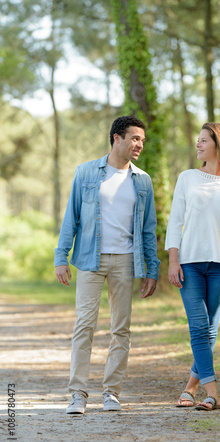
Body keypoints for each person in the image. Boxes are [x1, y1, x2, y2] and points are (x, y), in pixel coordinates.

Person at [55, 115, 160, 415]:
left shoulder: (143, 181)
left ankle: (111, 393)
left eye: (142, 139)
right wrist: (61, 256)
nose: (140, 144)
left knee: (121, 329)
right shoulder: (86, 172)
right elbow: (71, 218)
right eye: (135, 138)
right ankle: (77, 395)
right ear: (117, 138)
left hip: (126, 261)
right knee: (84, 326)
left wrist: (151, 269)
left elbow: (148, 229)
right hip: (90, 258)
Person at [165, 122, 220, 411]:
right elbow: (175, 219)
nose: (198, 145)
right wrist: (173, 259)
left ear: (219, 143)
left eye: (204, 140)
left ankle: (190, 388)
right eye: (198, 140)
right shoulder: (188, 178)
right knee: (199, 326)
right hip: (189, 262)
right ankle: (213, 392)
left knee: (210, 329)